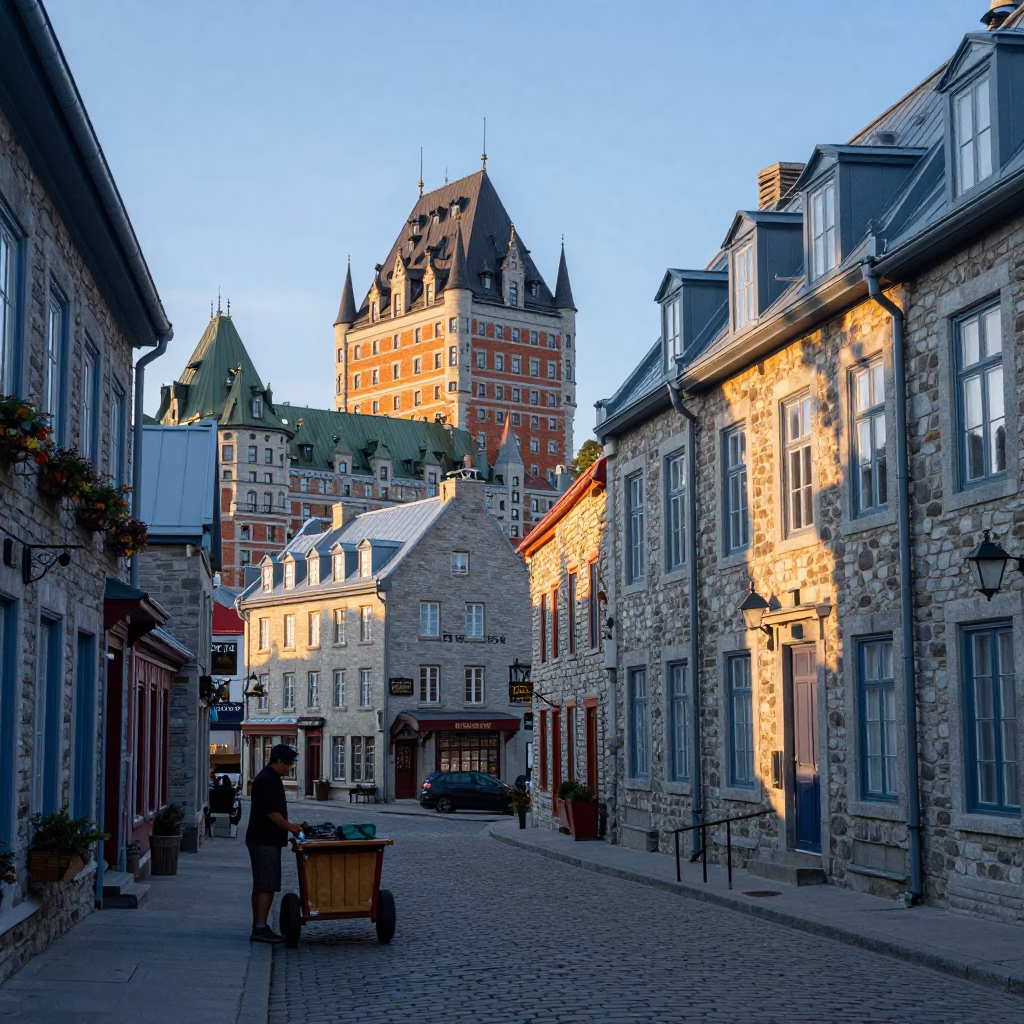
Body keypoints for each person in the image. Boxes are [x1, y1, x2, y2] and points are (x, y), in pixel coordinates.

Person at [246, 743, 302, 943]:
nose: (288, 768)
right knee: (266, 884)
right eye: (287, 764)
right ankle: (260, 928)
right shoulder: (268, 780)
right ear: (278, 761)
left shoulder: (270, 778)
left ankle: (259, 925)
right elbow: (272, 813)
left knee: (263, 883)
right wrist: (291, 827)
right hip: (264, 840)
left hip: (264, 839)